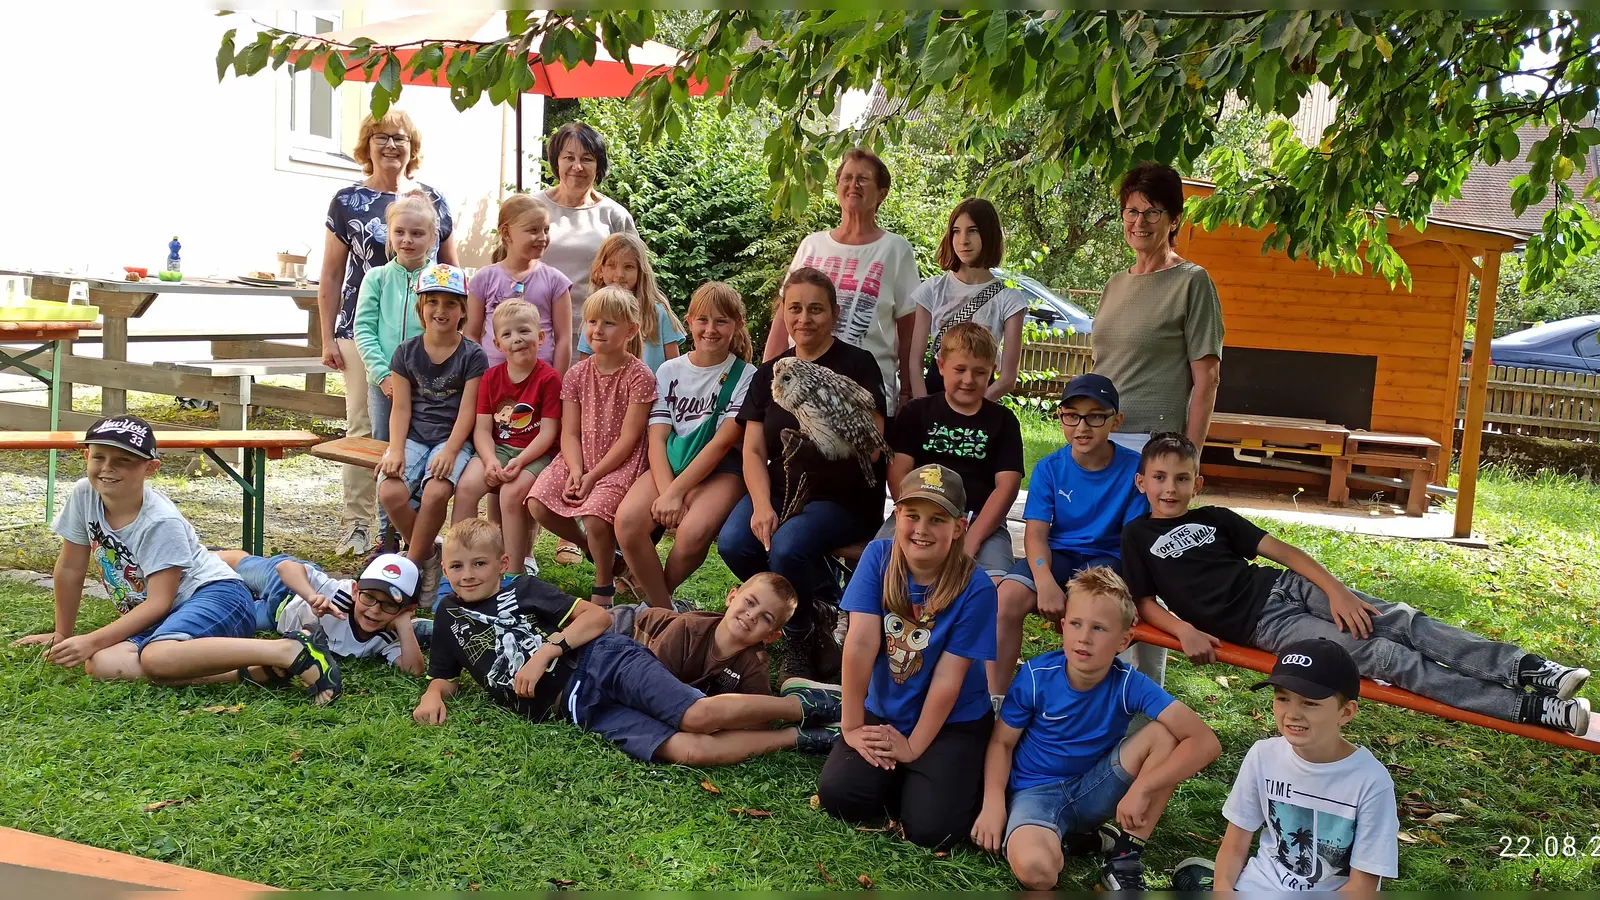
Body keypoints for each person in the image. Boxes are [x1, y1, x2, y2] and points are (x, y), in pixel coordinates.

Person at [1124, 432, 1593, 735]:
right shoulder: (1138, 535)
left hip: (1289, 587)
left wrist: (1336, 590)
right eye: (1160, 478)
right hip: (1263, 627)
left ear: (1197, 482)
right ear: (1141, 482)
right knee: (1384, 656)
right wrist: (1182, 629)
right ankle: (1526, 709)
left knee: (1404, 621)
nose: (1171, 488)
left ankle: (1528, 670)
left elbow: (1284, 553)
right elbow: (1143, 601)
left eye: (1182, 478)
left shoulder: (1215, 517)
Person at [413, 519, 842, 763]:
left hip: (601, 660)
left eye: (479, 563)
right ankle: (800, 738)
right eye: (456, 566)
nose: (467, 574)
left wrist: (548, 650)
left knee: (693, 716)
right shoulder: (448, 614)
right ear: (444, 568)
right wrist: (434, 694)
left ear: (502, 563)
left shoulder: (522, 588)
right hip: (579, 708)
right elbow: (445, 674)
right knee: (689, 750)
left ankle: (807, 706)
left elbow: (597, 617)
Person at [10, 416, 339, 702]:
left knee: (155, 659)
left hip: (217, 594)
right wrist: (64, 635)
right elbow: (70, 567)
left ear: (151, 468)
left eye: (123, 460)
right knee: (103, 665)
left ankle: (290, 650)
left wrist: (92, 639)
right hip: (162, 612)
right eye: (99, 457)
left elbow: (159, 602)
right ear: (86, 457)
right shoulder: (84, 494)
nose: (107, 469)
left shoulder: (160, 521)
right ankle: (255, 673)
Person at [970, 567, 1221, 891]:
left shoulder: (1128, 682)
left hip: (1095, 787)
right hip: (1035, 793)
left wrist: (1145, 787)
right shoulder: (1036, 676)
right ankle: (1075, 841)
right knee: (1037, 871)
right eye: (1076, 624)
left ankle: (1125, 857)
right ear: (1063, 626)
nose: (1084, 637)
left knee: (1164, 735)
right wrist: (993, 803)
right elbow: (1002, 743)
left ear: (1124, 640)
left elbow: (1205, 741)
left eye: (1099, 628)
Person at [717, 268, 888, 684]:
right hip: (783, 490)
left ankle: (797, 635)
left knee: (788, 546)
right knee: (735, 542)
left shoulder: (857, 364)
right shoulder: (770, 371)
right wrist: (759, 505)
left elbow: (874, 437)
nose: (804, 319)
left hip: (843, 496)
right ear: (783, 313)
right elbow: (754, 450)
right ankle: (819, 607)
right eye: (795, 309)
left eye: (816, 309)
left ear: (833, 313)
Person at [817, 465, 998, 849]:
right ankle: (908, 777)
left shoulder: (976, 586)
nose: (921, 529)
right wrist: (850, 726)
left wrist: (914, 746)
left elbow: (949, 680)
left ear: (959, 527)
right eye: (911, 516)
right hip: (884, 708)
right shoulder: (878, 558)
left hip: (952, 721)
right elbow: (861, 644)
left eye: (937, 520)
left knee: (934, 831)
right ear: (896, 516)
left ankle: (932, 772)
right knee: (841, 797)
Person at [319, 109, 457, 556]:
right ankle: (366, 524)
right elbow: (332, 275)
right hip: (369, 342)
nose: (391, 145)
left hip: (430, 358)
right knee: (369, 432)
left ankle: (411, 520)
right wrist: (327, 339)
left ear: (412, 146)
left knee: (419, 433)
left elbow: (452, 277)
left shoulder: (434, 200)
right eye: (381, 137)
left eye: (400, 138)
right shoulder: (347, 201)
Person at [1175, 639, 1400, 892]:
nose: (1292, 713)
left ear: (1346, 712)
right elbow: (1234, 845)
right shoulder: (1263, 755)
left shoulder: (1371, 782)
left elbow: (1362, 887)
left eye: (1310, 703)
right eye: (1283, 699)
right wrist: (1223, 889)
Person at [990, 374, 1148, 698]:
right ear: (1061, 417)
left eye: (1095, 416)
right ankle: (995, 698)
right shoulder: (1050, 468)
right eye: (1072, 415)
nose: (1082, 427)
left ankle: (1084, 700)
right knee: (1006, 596)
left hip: (1108, 560)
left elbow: (1134, 540)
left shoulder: (1135, 470)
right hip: (1059, 555)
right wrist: (1044, 580)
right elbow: (1036, 533)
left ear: (1115, 421)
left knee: (1093, 607)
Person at [616, 282, 755, 609]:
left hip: (722, 471)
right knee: (628, 521)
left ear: (737, 325)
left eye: (721, 321)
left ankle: (653, 605)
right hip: (672, 462)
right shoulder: (669, 370)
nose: (711, 329)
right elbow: (658, 436)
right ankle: (664, 609)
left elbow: (722, 444)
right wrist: (668, 492)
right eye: (703, 320)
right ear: (688, 321)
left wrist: (676, 494)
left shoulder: (746, 375)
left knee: (693, 531)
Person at [764, 148, 920, 414]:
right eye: (846, 178)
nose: (853, 185)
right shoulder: (812, 245)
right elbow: (783, 317)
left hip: (862, 392)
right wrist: (766, 379)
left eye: (863, 178)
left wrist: (907, 390)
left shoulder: (895, 249)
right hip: (800, 392)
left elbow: (909, 332)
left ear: (881, 194)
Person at [528, 287, 655, 607]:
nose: (598, 329)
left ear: (631, 330)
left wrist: (593, 475)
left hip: (619, 462)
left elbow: (630, 438)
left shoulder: (639, 376)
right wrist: (575, 470)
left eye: (609, 323)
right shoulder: (576, 374)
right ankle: (604, 555)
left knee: (597, 516)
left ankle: (603, 586)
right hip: (578, 457)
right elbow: (569, 433)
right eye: (592, 321)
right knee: (537, 503)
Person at [1092, 162, 1223, 455]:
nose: (1140, 222)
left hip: (1153, 445)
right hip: (1098, 439)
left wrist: (1190, 456)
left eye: (1152, 212)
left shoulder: (1192, 282)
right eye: (1132, 211)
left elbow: (1208, 379)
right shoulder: (1114, 284)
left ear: (1174, 220)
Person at [376, 264, 487, 600]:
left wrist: (451, 451)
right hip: (412, 437)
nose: (441, 310)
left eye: (451, 303)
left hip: (451, 439)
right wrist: (395, 449)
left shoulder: (473, 355)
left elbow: (468, 411)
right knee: (390, 492)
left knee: (437, 492)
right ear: (420, 308)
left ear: (463, 310)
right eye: (433, 302)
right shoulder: (406, 353)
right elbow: (401, 408)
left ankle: (408, 570)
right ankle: (427, 555)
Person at [882, 322, 1023, 584]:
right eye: (960, 369)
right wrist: (919, 521)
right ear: (941, 365)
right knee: (879, 566)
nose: (969, 380)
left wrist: (971, 540)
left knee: (994, 587)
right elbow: (899, 472)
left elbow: (1007, 486)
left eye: (980, 372)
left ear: (992, 372)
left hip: (980, 520)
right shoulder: (916, 413)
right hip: (918, 512)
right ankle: (860, 624)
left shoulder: (1004, 421)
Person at [353, 195, 436, 550]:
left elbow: (446, 329)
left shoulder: (438, 278)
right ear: (389, 234)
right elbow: (364, 329)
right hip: (383, 386)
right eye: (399, 232)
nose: (407, 240)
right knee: (388, 453)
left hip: (428, 388)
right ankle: (387, 534)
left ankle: (412, 528)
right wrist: (383, 375)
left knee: (418, 452)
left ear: (432, 237)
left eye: (417, 233)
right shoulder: (377, 278)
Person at [455, 299, 562, 573]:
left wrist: (521, 461)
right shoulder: (490, 378)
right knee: (466, 488)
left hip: (537, 453)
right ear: (497, 344)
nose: (517, 339)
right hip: (498, 449)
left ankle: (514, 574)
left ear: (541, 337)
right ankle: (459, 562)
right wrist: (490, 461)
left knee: (511, 495)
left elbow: (549, 433)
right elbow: (481, 429)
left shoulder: (548, 379)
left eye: (524, 331)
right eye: (507, 334)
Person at [215, 550, 424, 676]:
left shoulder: (390, 638)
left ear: (406, 610)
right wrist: (311, 596)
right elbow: (286, 568)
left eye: (389, 605)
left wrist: (405, 623)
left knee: (225, 615)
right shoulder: (338, 593)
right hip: (284, 589)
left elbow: (413, 670)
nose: (375, 609)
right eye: (368, 597)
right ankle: (208, 555)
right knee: (240, 565)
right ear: (355, 591)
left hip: (274, 618)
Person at [908, 198, 1028, 399]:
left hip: (981, 397)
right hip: (934, 393)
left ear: (989, 235)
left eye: (972, 231)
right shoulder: (931, 290)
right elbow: (915, 361)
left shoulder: (1009, 300)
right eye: (956, 231)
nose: (963, 240)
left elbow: (1008, 378)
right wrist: (923, 407)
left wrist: (975, 409)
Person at [605, 573, 797, 697]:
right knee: (584, 643)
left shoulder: (755, 662)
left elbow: (757, 717)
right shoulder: (688, 629)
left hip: (645, 654)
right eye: (750, 602)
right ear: (731, 597)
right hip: (631, 627)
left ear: (771, 636)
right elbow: (649, 686)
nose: (752, 615)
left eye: (766, 617)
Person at [465, 194, 574, 374]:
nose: (542, 237)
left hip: (541, 382)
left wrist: (557, 382)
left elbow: (564, 338)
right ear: (506, 233)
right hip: (494, 380)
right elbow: (471, 334)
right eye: (533, 230)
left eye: (546, 230)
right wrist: (477, 377)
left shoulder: (556, 281)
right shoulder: (483, 279)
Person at [577, 233, 685, 372]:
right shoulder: (595, 314)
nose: (620, 274)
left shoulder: (657, 312)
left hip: (653, 392)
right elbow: (585, 370)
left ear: (641, 271)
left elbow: (674, 368)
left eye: (628, 267)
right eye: (612, 265)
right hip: (607, 393)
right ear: (601, 269)